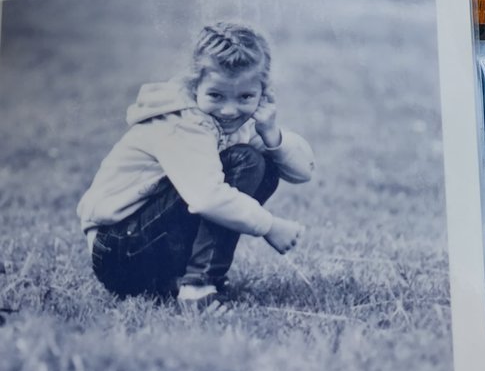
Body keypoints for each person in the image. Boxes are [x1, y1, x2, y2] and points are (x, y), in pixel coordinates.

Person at [77, 22, 315, 309]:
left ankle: (178, 280)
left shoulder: (233, 122)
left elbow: (302, 172)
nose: (229, 110)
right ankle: (197, 287)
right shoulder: (184, 122)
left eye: (245, 97)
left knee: (264, 165)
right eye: (216, 95)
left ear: (263, 93)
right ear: (194, 85)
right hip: (118, 251)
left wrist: (271, 133)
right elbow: (207, 199)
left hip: (142, 246)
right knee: (246, 162)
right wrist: (269, 226)